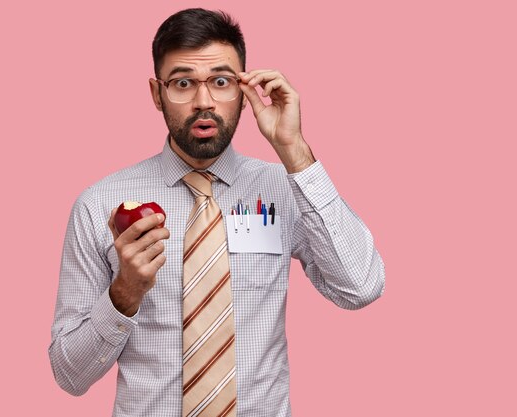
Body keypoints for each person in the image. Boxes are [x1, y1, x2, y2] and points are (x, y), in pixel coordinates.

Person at [49, 8, 385, 417]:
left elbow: (361, 287)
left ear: (245, 90)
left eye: (221, 82)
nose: (203, 101)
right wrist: (125, 294)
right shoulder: (99, 204)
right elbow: (69, 374)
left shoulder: (283, 187)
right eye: (183, 83)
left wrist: (294, 150)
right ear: (157, 93)